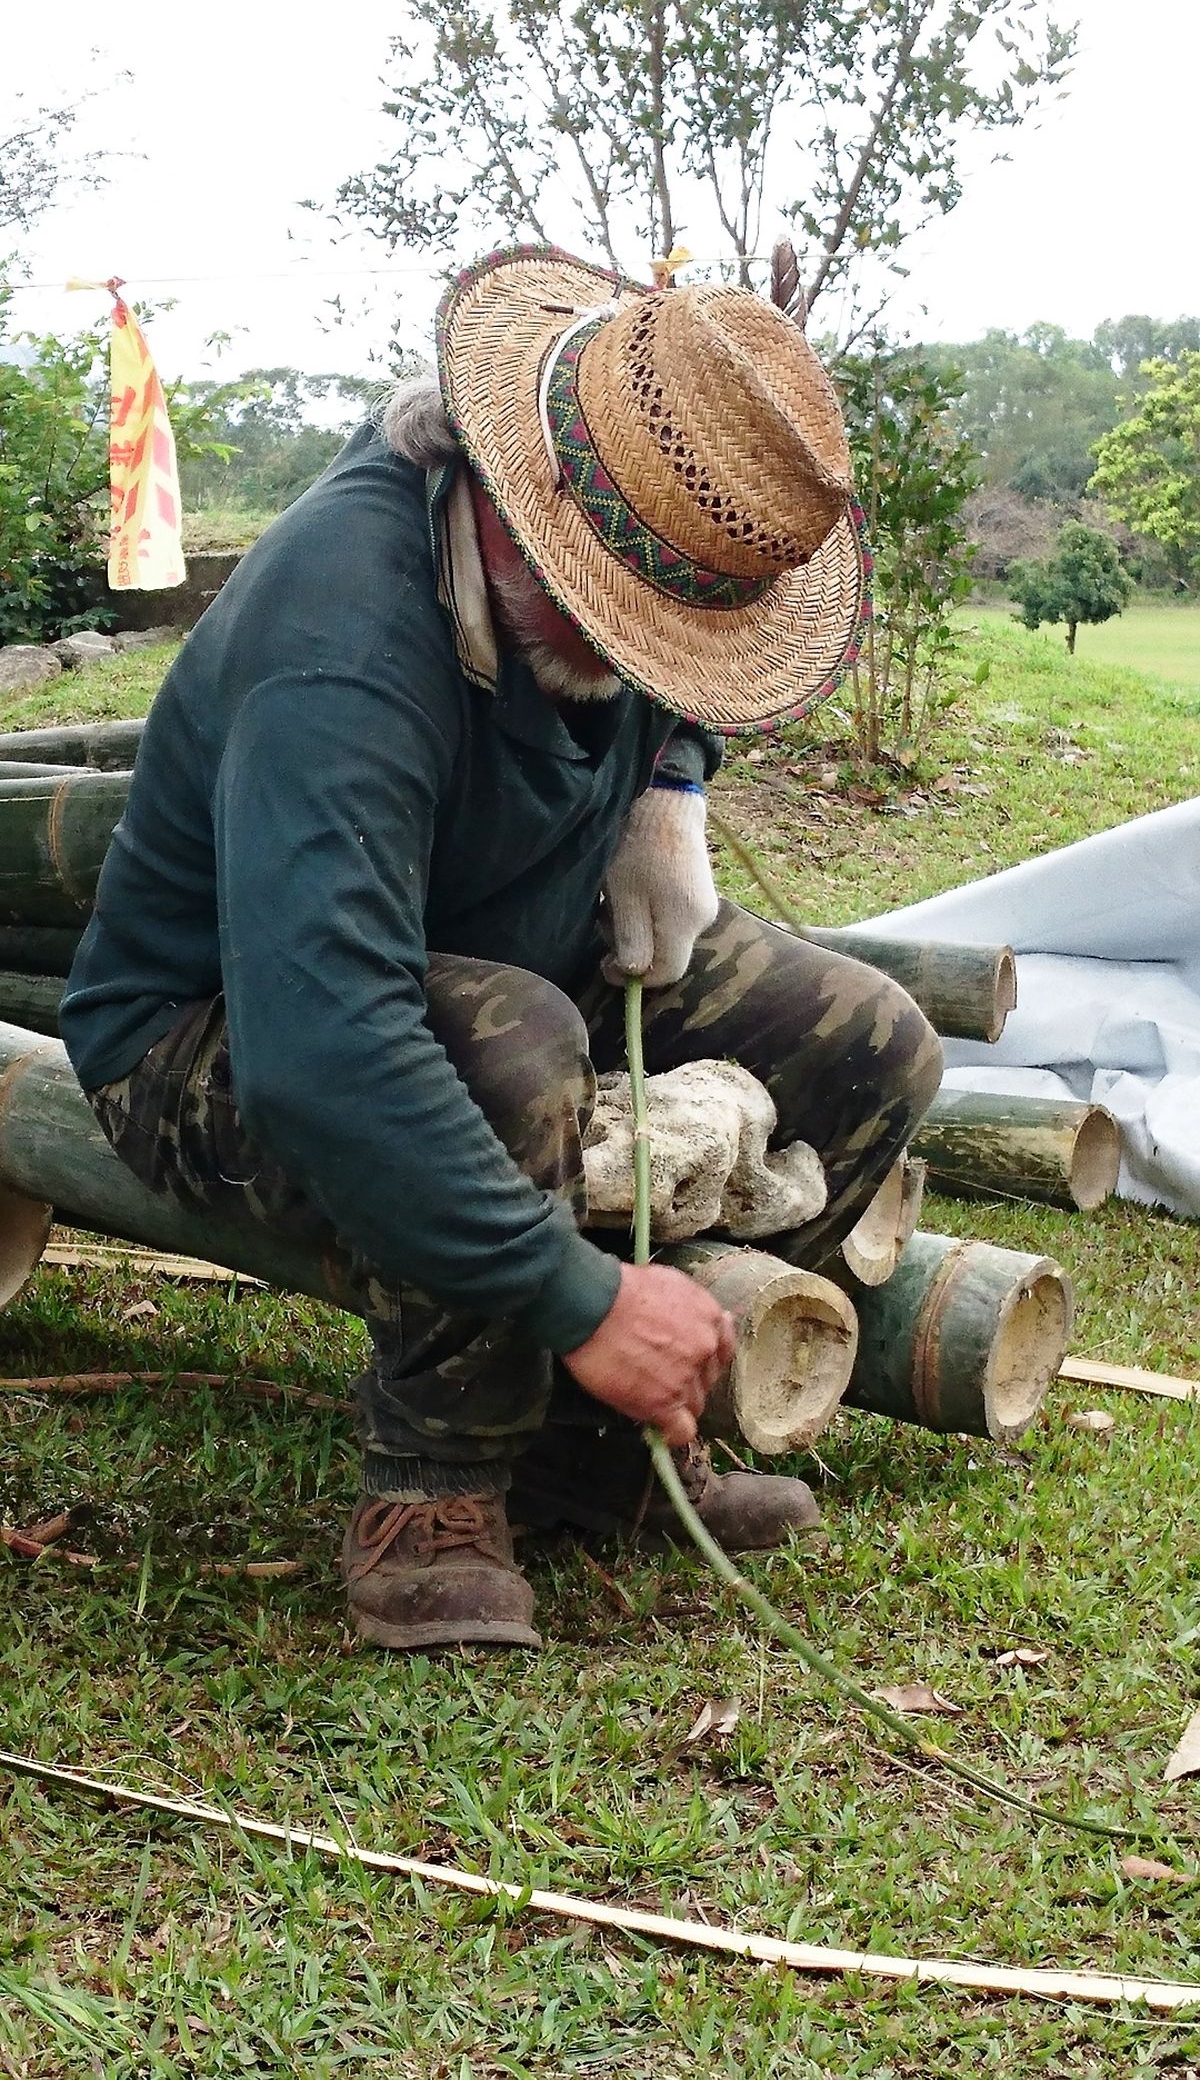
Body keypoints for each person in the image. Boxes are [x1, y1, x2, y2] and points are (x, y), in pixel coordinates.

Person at [60, 246, 942, 1652]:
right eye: (625, 627)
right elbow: (327, 1043)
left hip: (506, 943)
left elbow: (683, 666)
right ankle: (437, 1485)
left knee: (867, 1035)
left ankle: (592, 1454)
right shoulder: (342, 634)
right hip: (217, 1024)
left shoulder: (642, 530)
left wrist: (676, 778)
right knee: (510, 1046)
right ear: (517, 509)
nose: (651, 661)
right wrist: (580, 1293)